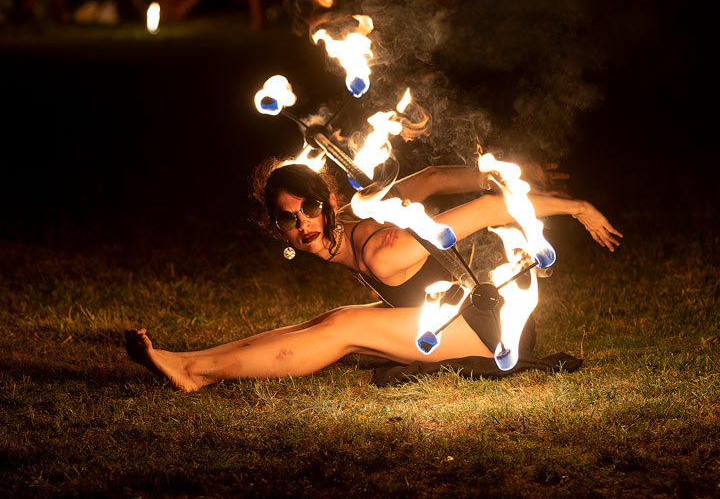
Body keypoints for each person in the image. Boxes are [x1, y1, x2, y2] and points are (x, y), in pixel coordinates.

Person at [125, 161, 622, 392]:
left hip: (487, 332)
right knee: (334, 316)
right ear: (275, 228)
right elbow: (429, 178)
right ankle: (186, 360)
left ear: (329, 205)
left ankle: (197, 375)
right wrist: (486, 172)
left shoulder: (385, 251)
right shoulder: (367, 212)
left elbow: (494, 209)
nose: (303, 226)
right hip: (456, 318)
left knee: (343, 331)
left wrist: (577, 207)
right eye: (287, 218)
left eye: (311, 209)